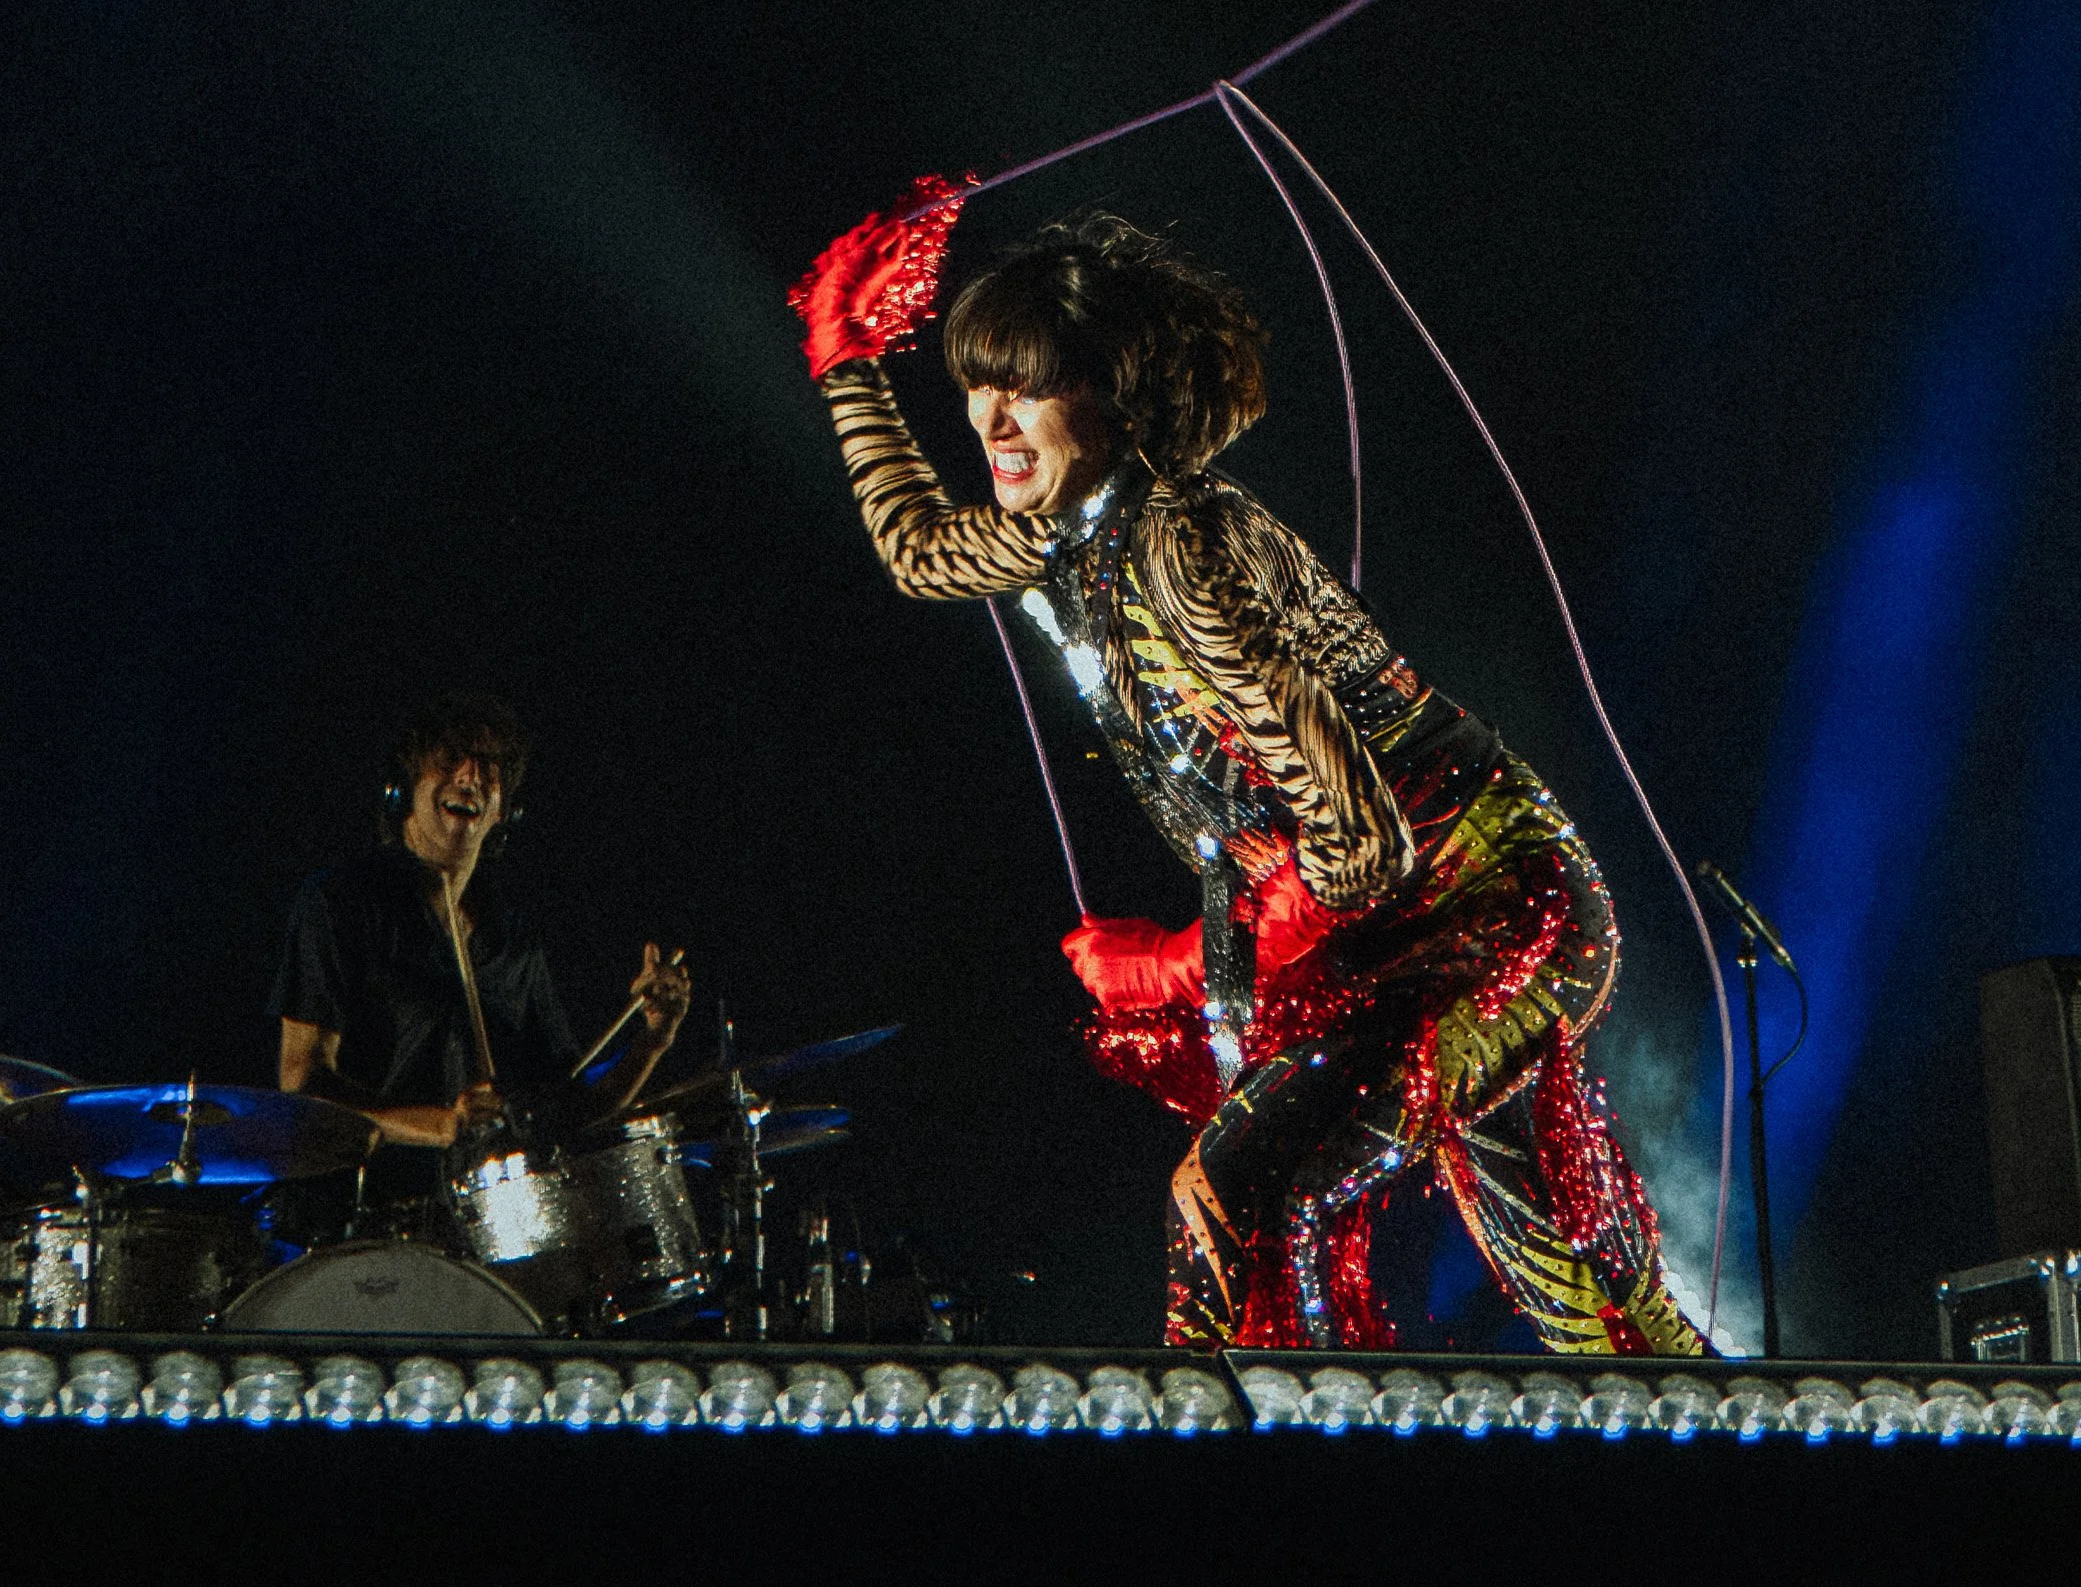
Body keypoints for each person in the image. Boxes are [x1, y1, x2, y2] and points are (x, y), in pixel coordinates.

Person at [792, 196, 1702, 1357]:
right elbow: (919, 548)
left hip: (1492, 912)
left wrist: (1172, 964)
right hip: (1378, 943)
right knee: (1582, 1285)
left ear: (1115, 400)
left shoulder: (1184, 544)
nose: (990, 417)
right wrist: (847, 359)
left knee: (1238, 1193)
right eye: (979, 382)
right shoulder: (1067, 528)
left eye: (1028, 384)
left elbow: (1362, 842)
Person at [271, 694, 691, 1225]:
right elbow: (302, 1084)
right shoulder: (338, 903)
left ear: (503, 810)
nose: (471, 775)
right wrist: (442, 1125)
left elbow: (570, 1108)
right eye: (451, 759)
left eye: (489, 769)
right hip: (349, 1218)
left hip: (481, 1224)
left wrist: (651, 1041)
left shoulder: (512, 940)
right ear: (405, 788)